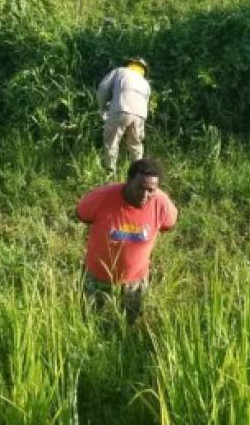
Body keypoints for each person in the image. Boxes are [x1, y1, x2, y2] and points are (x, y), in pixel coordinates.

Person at [76, 158, 178, 324]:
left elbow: (169, 224)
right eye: (139, 188)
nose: (145, 195)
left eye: (150, 190)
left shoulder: (161, 203)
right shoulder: (103, 197)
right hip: (97, 278)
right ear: (128, 181)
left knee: (129, 326)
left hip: (134, 283)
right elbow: (82, 214)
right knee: (91, 322)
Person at [97, 56, 151, 175]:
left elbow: (103, 88)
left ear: (129, 64)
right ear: (144, 70)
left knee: (111, 141)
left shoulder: (120, 71)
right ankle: (138, 175)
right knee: (136, 145)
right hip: (140, 115)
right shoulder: (145, 83)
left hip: (121, 109)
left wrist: (102, 107)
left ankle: (110, 173)